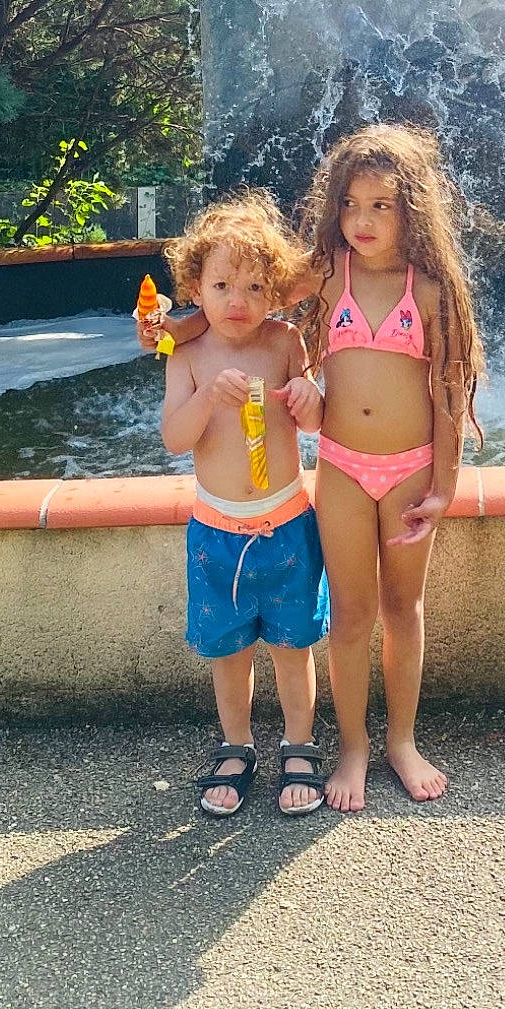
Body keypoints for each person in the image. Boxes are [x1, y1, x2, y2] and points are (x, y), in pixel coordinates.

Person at [142, 125, 487, 813]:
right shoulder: (330, 269)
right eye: (352, 204)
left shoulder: (433, 292)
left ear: (412, 207)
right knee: (353, 613)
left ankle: (403, 741)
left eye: (382, 206)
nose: (362, 220)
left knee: (403, 608)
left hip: (412, 469)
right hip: (342, 468)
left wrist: (444, 487)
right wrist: (172, 329)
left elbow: (451, 393)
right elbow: (247, 299)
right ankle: (354, 745)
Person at [155, 192, 330, 818]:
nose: (238, 300)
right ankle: (235, 745)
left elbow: (309, 418)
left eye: (256, 286)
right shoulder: (188, 354)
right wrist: (208, 401)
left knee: (293, 650)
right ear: (193, 285)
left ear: (277, 293)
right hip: (217, 534)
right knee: (229, 656)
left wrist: (309, 398)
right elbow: (175, 437)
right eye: (222, 283)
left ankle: (300, 744)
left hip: (286, 526)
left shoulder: (284, 343)